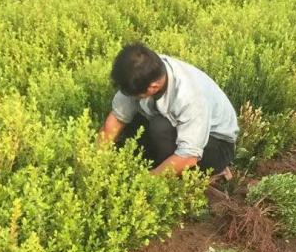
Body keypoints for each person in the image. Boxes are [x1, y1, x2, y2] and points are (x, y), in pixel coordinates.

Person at [98, 43, 239, 175]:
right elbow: (117, 118)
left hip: (216, 145)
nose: (129, 96)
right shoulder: (143, 71)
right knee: (132, 126)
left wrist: (146, 183)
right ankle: (157, 161)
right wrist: (95, 160)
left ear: (153, 87)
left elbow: (189, 156)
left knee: (159, 127)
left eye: (135, 94)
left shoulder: (189, 96)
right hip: (178, 126)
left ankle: (173, 180)